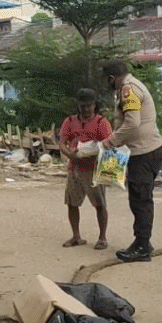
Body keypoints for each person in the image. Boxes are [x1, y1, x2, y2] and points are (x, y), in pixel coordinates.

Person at [101, 61, 162, 262]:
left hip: (145, 152)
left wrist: (110, 142)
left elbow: (132, 122)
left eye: (107, 80)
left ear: (112, 78)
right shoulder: (130, 86)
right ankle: (142, 242)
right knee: (138, 198)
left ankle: (142, 246)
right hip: (143, 150)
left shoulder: (129, 90)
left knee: (141, 200)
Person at [58, 88, 113, 250]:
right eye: (83, 106)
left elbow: (109, 144)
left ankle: (102, 237)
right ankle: (76, 236)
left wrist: (93, 153)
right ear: (78, 106)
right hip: (74, 167)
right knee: (72, 203)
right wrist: (70, 154)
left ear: (95, 105)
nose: (86, 109)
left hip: (94, 169)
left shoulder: (101, 123)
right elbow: (62, 142)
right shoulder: (69, 121)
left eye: (89, 106)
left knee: (99, 203)